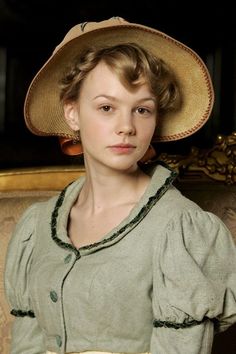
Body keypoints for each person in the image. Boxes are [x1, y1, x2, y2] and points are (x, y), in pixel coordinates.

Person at [4, 16, 236, 354]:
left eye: (142, 110)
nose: (126, 126)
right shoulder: (36, 226)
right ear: (72, 113)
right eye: (107, 107)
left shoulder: (180, 229)